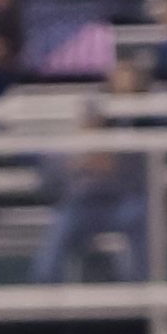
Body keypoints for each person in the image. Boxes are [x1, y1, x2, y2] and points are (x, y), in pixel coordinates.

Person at [30, 60, 150, 284]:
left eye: (128, 75)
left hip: (125, 201)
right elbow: (51, 177)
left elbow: (144, 169)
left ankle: (142, 286)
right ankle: (44, 289)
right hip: (86, 202)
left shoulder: (146, 118)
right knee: (64, 220)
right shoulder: (92, 114)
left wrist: (116, 165)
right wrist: (77, 162)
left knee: (139, 214)